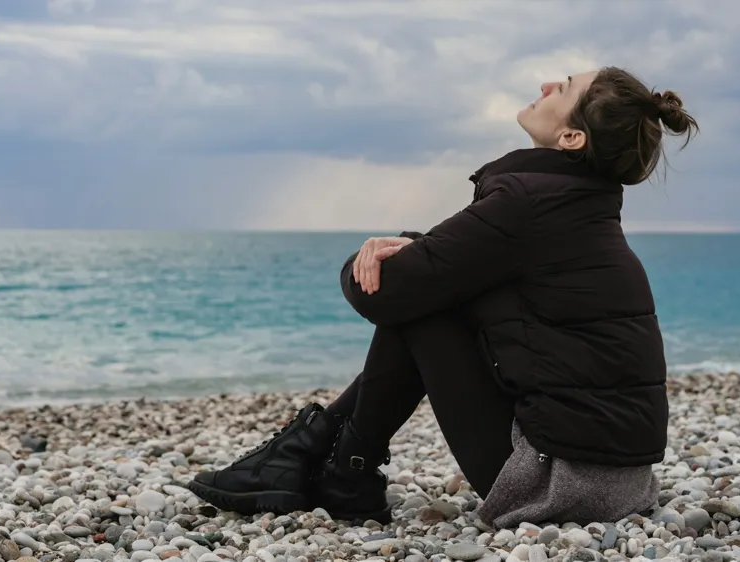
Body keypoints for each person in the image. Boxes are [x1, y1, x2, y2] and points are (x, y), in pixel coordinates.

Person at [187, 66, 699, 527]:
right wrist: (417, 250)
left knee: (421, 301)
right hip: (622, 482)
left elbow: (385, 296)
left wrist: (363, 261)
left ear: (570, 136)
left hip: (559, 484)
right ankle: (331, 465)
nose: (546, 85)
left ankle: (329, 464)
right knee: (430, 280)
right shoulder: (580, 206)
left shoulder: (528, 203)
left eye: (562, 88)